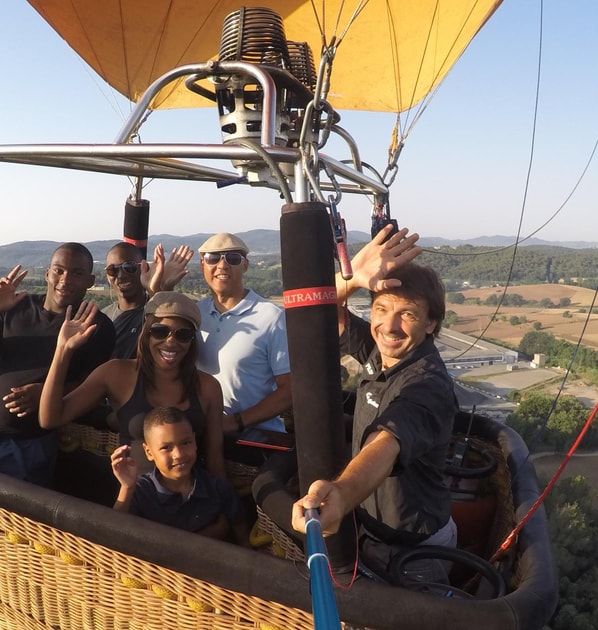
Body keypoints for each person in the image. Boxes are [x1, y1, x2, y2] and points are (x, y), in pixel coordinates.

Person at [291, 225, 459, 587]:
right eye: (381, 309)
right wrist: (351, 278)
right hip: (370, 534)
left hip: (416, 551)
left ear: (431, 324)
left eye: (408, 314)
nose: (389, 325)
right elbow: (320, 309)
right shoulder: (379, 351)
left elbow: (386, 444)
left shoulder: (427, 384)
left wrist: (341, 493)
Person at [0, 242, 115, 486]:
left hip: (29, 447)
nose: (65, 279)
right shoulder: (18, 307)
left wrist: (46, 392)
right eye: (59, 270)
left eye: (77, 273)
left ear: (90, 281)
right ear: (47, 274)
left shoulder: (95, 327)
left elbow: (92, 386)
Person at [39, 291, 226, 477]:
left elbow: (214, 458)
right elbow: (50, 419)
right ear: (146, 332)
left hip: (191, 498)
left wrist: (224, 503)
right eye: (160, 331)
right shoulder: (117, 374)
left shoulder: (207, 387)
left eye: (183, 335)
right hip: (135, 496)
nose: (170, 341)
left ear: (192, 342)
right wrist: (63, 351)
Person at [194, 233, 292, 435]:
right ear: (202, 265)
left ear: (245, 265)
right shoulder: (196, 313)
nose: (222, 265)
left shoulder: (272, 317)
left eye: (233, 259)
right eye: (213, 258)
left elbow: (289, 390)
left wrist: (235, 422)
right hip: (204, 436)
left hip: (258, 440)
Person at [109, 406, 247, 543]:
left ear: (194, 441)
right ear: (149, 452)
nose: (179, 454)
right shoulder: (140, 491)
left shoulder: (218, 487)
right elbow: (113, 536)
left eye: (186, 443)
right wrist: (126, 487)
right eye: (166, 448)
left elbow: (243, 540)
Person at [103, 242, 193, 359]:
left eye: (129, 267)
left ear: (144, 268)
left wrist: (163, 287)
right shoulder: (104, 317)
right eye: (112, 269)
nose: (121, 275)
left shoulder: (157, 310)